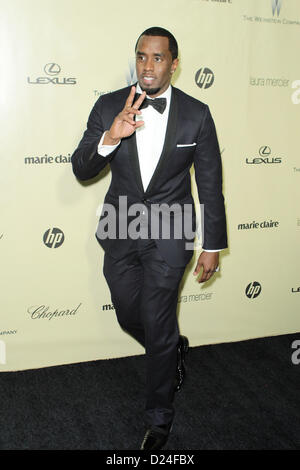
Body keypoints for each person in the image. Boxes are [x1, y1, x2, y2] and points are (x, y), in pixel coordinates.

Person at [71, 26, 227, 450]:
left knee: (157, 324)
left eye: (158, 58)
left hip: (170, 235)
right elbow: (81, 168)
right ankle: (172, 348)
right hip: (120, 229)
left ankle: (159, 422)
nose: (148, 66)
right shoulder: (108, 106)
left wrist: (212, 245)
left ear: (174, 64)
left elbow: (210, 185)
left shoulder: (197, 113)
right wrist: (110, 138)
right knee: (129, 315)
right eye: (142, 56)